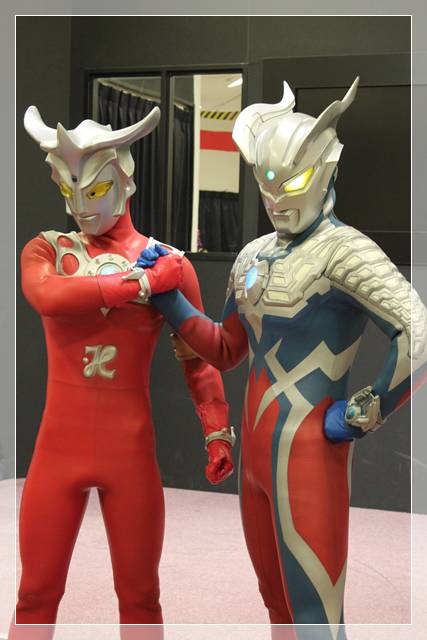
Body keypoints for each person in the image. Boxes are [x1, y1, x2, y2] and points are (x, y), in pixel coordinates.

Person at [145, 78, 427, 639]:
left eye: (292, 183)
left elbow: (416, 332)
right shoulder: (253, 254)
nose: (276, 200)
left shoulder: (345, 251)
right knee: (276, 604)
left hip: (309, 455)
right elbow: (226, 348)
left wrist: (363, 413)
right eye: (265, 184)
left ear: (326, 171)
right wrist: (169, 298)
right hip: (258, 458)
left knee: (315, 616)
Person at [10, 105, 234, 640]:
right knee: (35, 592)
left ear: (123, 180)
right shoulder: (50, 249)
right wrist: (141, 285)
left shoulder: (167, 262)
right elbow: (48, 296)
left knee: (140, 596)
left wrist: (217, 431)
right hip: (57, 452)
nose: (80, 207)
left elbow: (198, 359)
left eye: (93, 191)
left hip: (128, 452)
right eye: (68, 191)